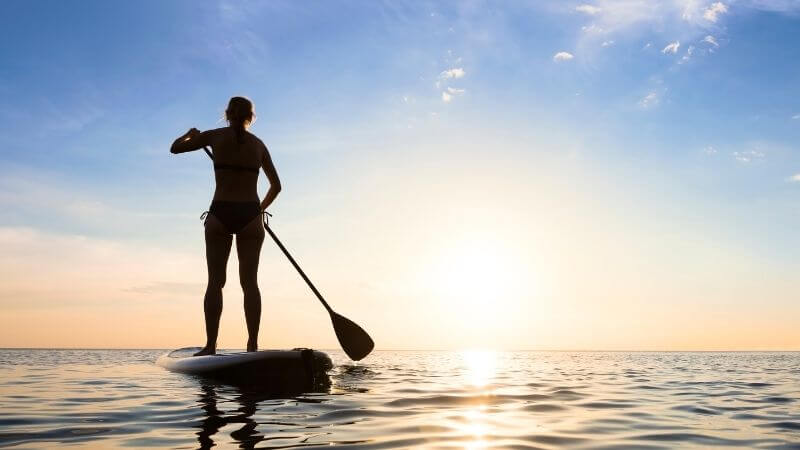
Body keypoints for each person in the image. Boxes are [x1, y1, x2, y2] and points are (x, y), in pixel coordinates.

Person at [170, 96, 281, 356]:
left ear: (227, 114)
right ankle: (252, 345)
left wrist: (190, 134)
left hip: (220, 213)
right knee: (250, 284)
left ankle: (210, 345)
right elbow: (276, 186)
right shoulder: (259, 145)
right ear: (251, 117)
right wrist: (259, 210)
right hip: (250, 216)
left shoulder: (214, 136)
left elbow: (175, 148)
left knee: (215, 283)